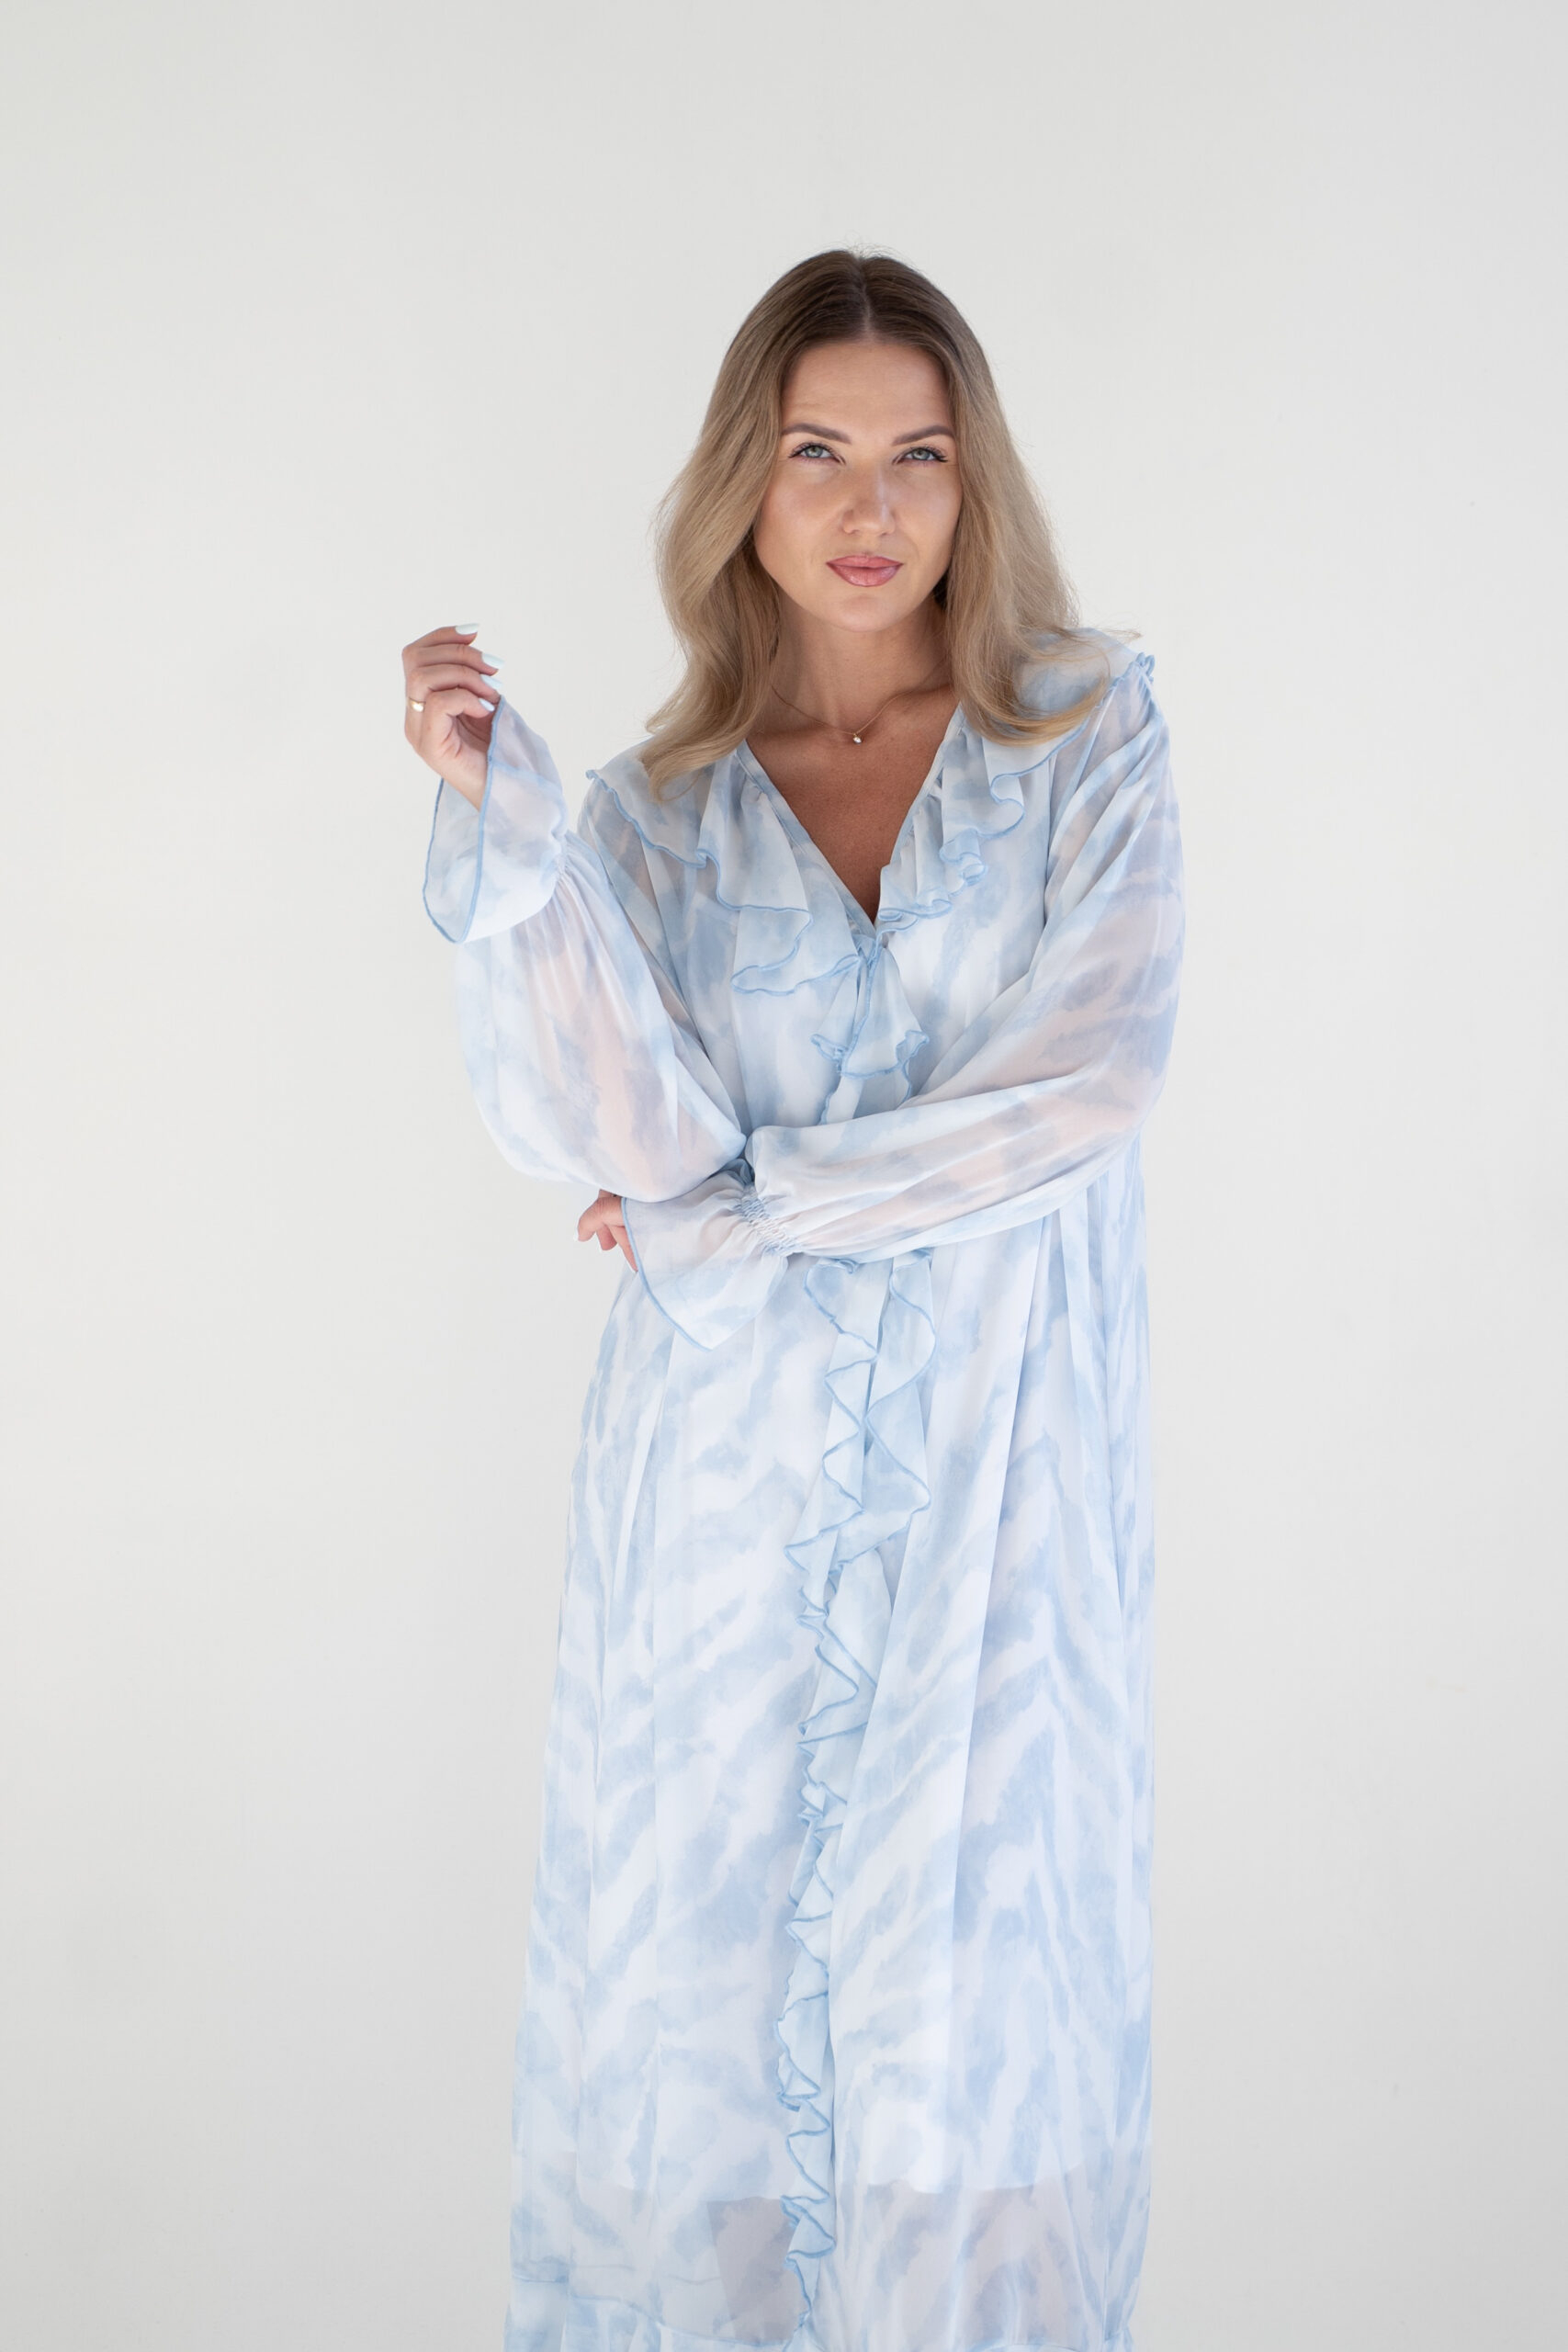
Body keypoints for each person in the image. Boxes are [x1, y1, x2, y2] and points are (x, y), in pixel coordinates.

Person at [403, 249, 1185, 2352]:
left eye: (917, 454)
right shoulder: (653, 819)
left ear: (971, 478)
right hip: (719, 1520)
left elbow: (1086, 1083)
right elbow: (604, 1130)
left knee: (978, 2061)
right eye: (815, 450)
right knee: (707, 2069)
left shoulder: (1081, 732)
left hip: (998, 1510)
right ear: (741, 483)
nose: (868, 505)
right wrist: (504, 829)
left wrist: (757, 1204)